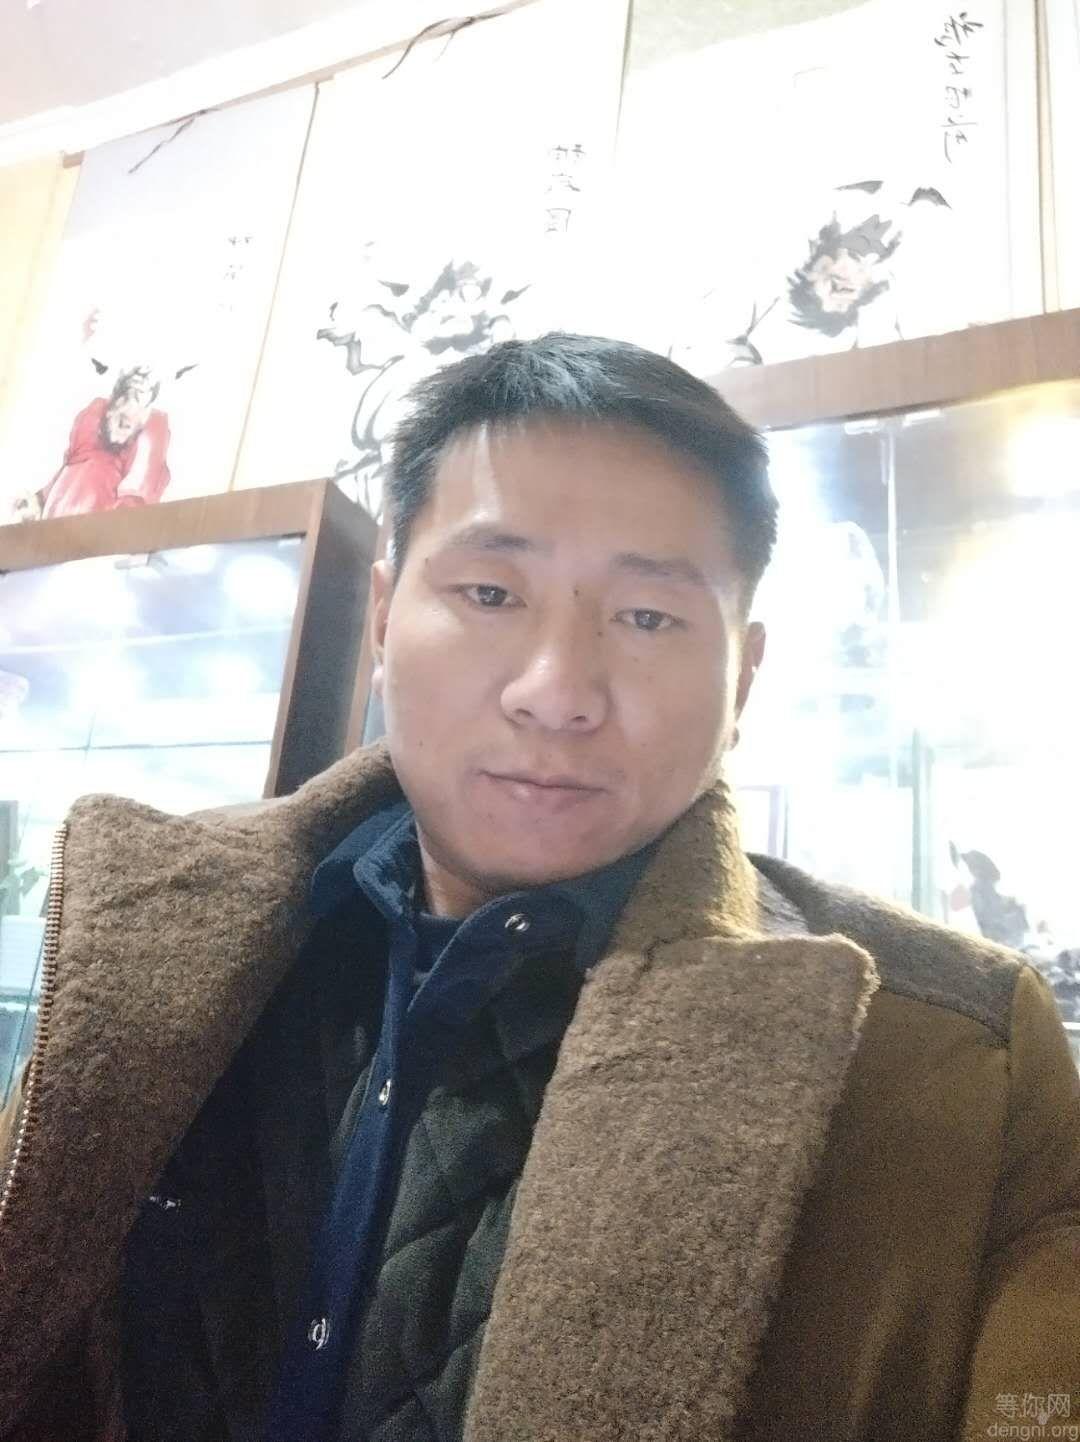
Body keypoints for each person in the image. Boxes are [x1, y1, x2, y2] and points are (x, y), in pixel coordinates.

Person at [0, 333, 1076, 1442]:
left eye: (648, 616)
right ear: (383, 620)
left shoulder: (957, 1057)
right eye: (490, 591)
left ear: (742, 678)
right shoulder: (162, 944)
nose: (557, 690)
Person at [12, 365, 172, 522]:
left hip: (93, 528)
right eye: (129, 391)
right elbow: (68, 464)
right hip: (53, 521)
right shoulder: (94, 413)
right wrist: (38, 500)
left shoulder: (152, 429)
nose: (138, 385)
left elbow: (136, 499)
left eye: (140, 395)